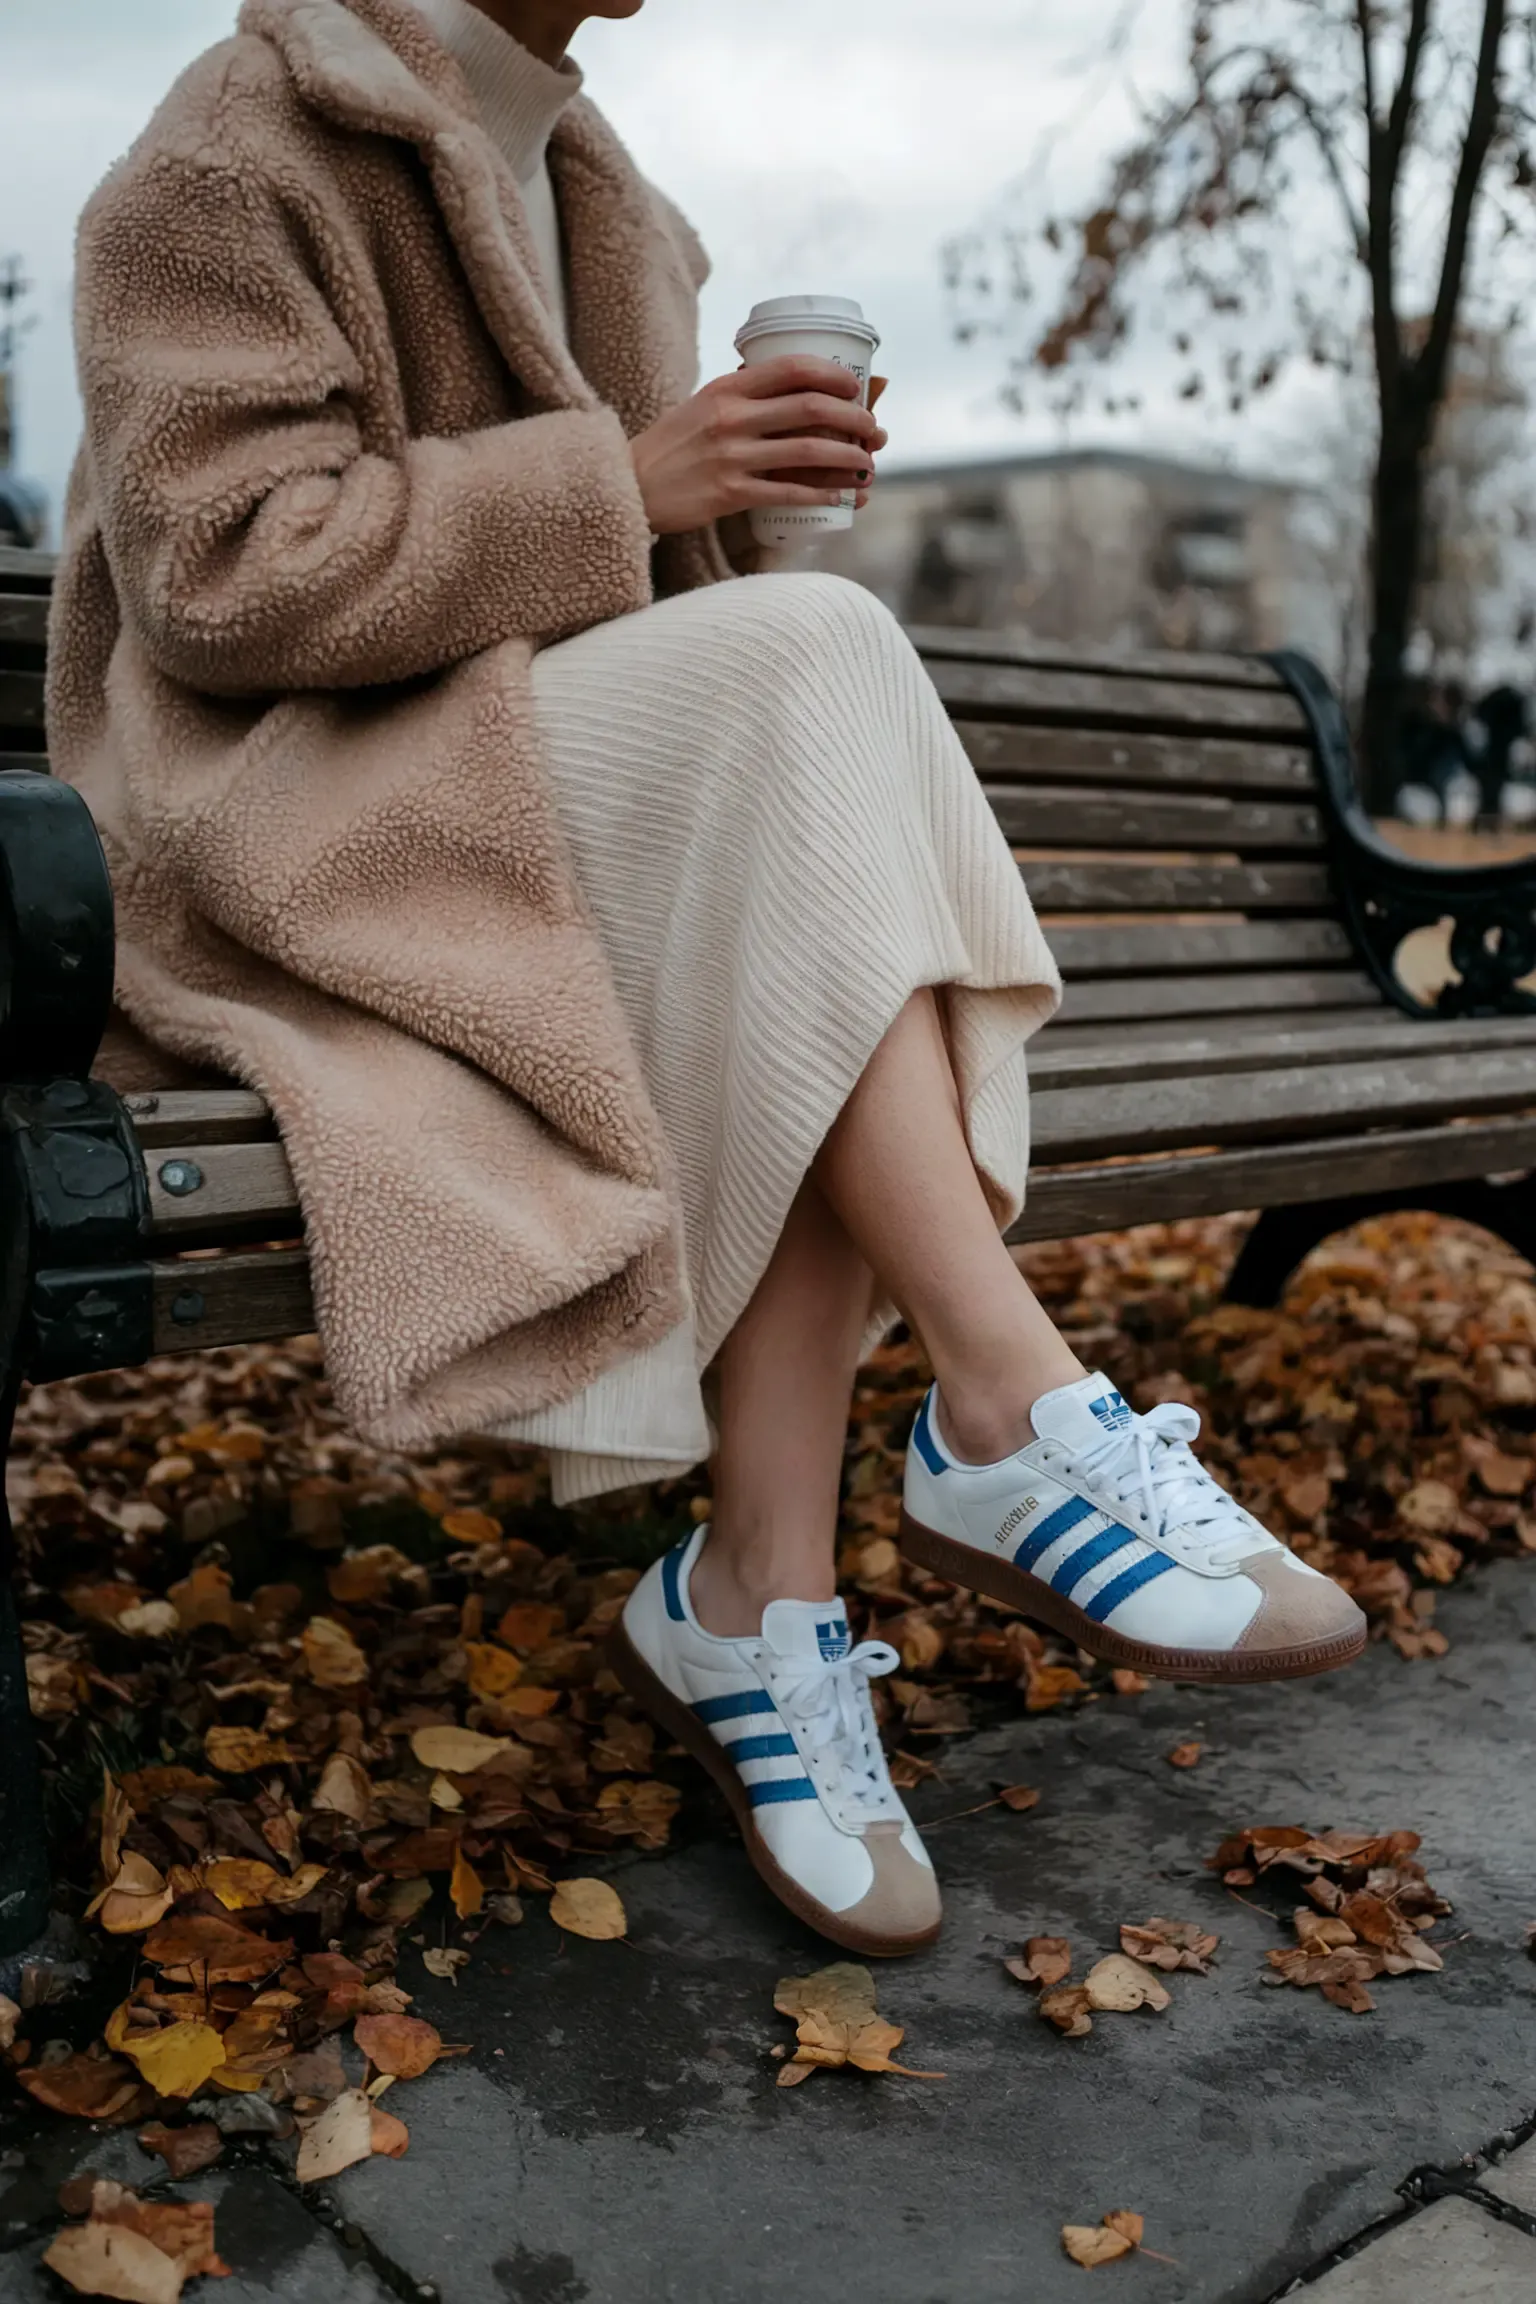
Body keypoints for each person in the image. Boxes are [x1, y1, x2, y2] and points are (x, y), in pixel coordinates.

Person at [52, 0, 1366, 1961]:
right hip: (301, 823)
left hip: (534, 793)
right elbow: (221, 574)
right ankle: (1004, 1411)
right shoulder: (225, 148)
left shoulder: (612, 197)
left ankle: (757, 1590)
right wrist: (634, 479)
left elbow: (664, 608)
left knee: (818, 842)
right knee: (817, 691)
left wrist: (723, 493)